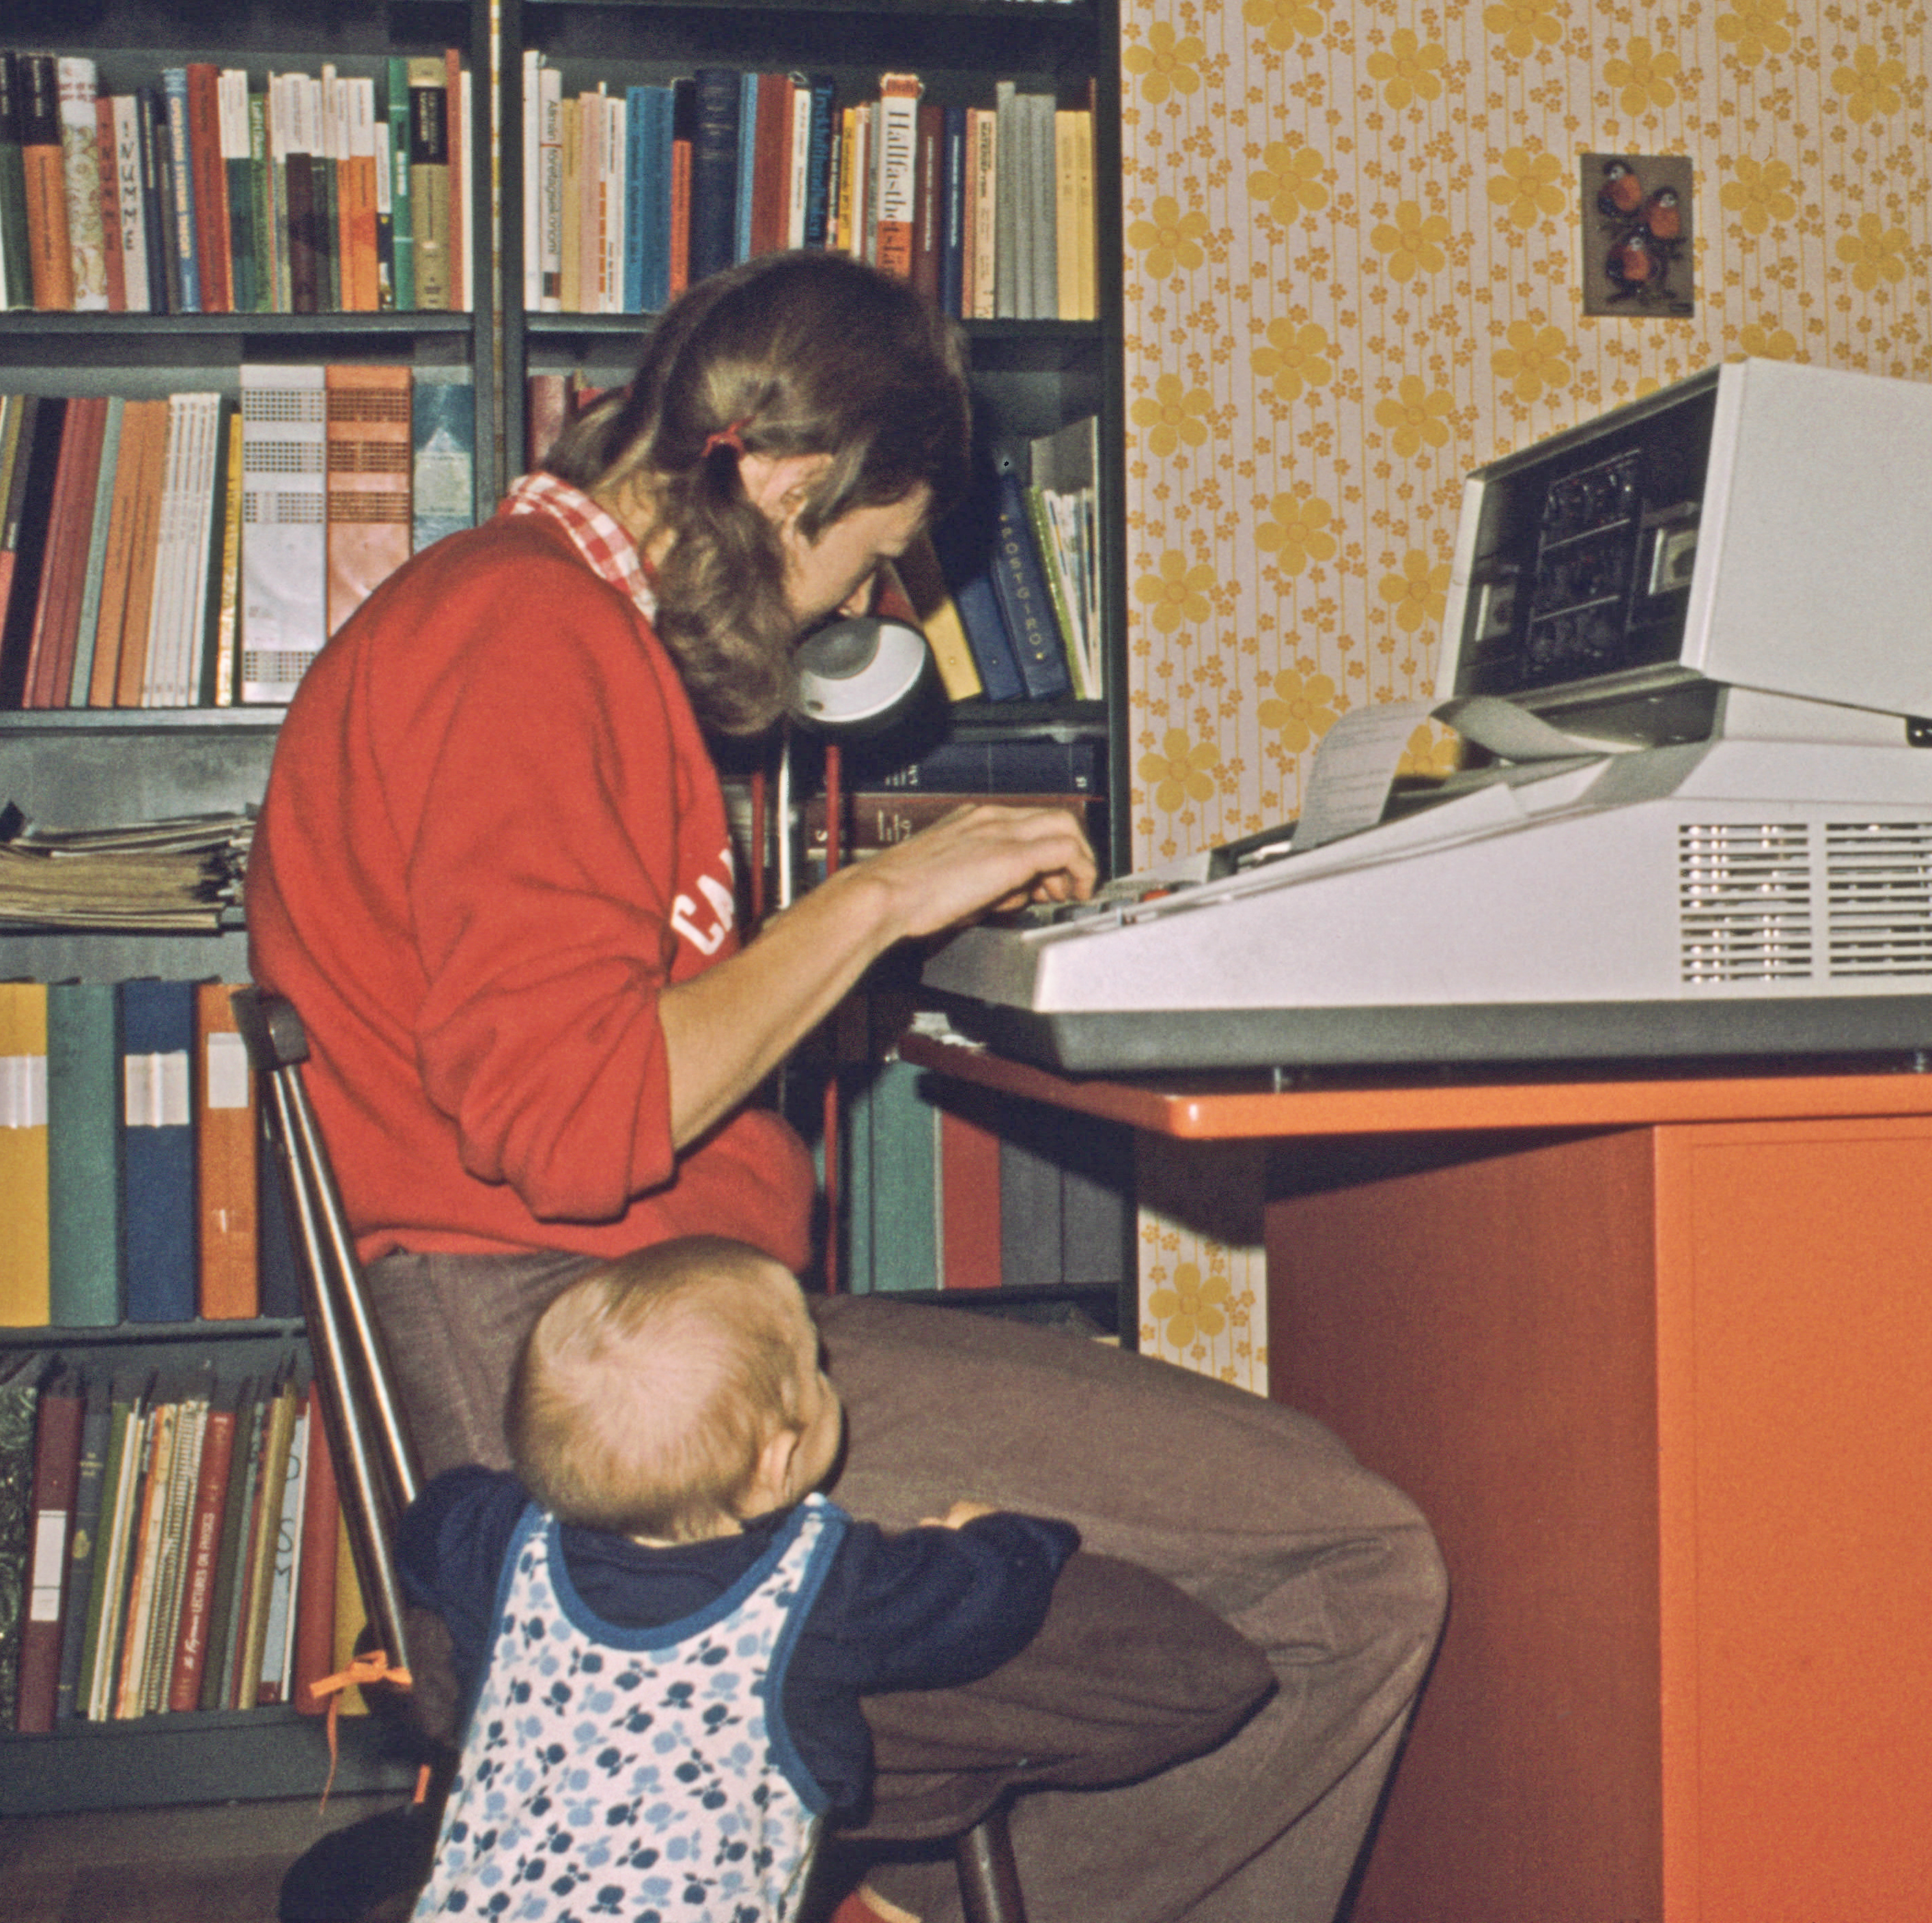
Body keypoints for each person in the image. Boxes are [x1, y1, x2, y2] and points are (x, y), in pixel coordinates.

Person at [248, 249, 1446, 1923]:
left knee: (1287, 1548)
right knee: (1354, 1564)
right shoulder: (523, 637)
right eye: (874, 561)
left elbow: (604, 1027)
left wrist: (856, 959)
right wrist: (872, 901)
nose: (858, 612)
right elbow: (571, 1119)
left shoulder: (531, 618)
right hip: (620, 1390)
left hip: (646, 1335)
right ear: (799, 480)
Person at [403, 1237, 1082, 1922]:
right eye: (817, 1369)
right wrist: (1010, 1537)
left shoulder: (500, 1531)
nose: (830, 1377)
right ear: (776, 1460)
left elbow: (425, 1529)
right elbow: (977, 1608)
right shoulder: (812, 1583)